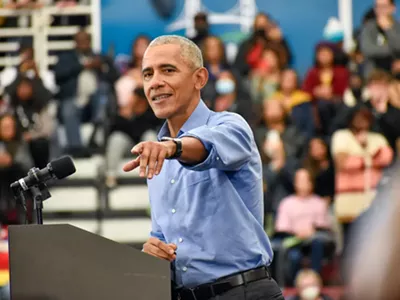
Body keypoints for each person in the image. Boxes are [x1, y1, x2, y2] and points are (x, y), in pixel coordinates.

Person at [123, 35, 283, 300]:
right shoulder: (157, 157)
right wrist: (154, 255)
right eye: (148, 74)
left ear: (200, 78)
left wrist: (172, 147)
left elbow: (205, 146)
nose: (155, 82)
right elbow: (163, 236)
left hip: (244, 293)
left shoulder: (232, 126)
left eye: (168, 70)